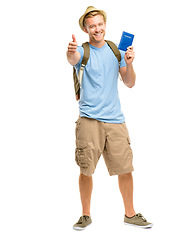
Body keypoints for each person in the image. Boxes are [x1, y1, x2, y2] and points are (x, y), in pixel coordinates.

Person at [67, 6, 153, 230]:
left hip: (115, 120)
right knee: (86, 170)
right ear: (86, 29)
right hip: (89, 121)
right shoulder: (82, 51)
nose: (97, 29)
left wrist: (129, 62)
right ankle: (85, 215)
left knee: (126, 169)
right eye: (92, 26)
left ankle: (130, 214)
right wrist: (70, 51)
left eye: (100, 24)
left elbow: (130, 82)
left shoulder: (116, 51)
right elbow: (72, 58)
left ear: (105, 24)